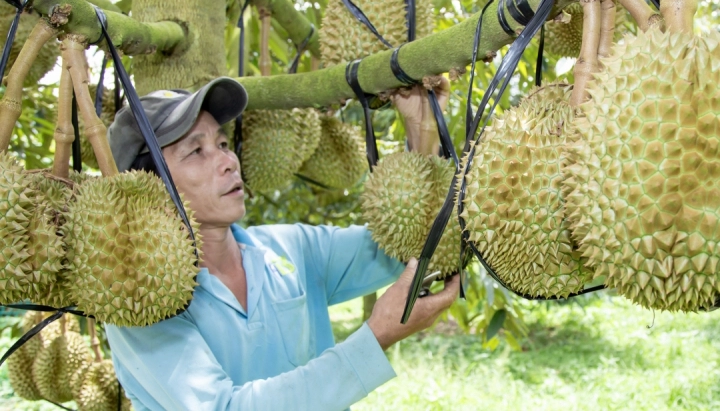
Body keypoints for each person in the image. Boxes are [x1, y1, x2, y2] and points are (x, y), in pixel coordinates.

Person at [104, 76, 459, 411]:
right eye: (196, 152)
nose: (229, 162)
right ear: (149, 185)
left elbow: (400, 240)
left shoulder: (290, 247)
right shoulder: (137, 302)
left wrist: (422, 128)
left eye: (223, 144)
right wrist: (377, 336)